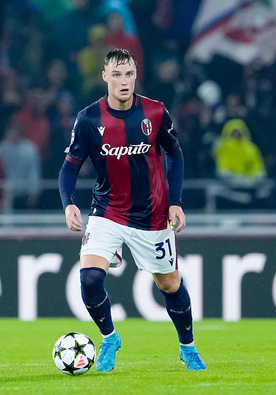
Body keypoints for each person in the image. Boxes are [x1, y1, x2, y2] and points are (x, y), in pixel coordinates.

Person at [58, 48, 206, 372]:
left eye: (129, 74)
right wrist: (68, 202)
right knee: (91, 278)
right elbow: (69, 167)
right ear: (105, 76)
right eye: (117, 74)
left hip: (151, 215)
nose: (123, 81)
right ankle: (109, 338)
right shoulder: (88, 119)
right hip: (107, 211)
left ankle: (187, 347)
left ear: (135, 75)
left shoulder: (155, 112)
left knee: (169, 284)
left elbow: (175, 155)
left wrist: (176, 201)